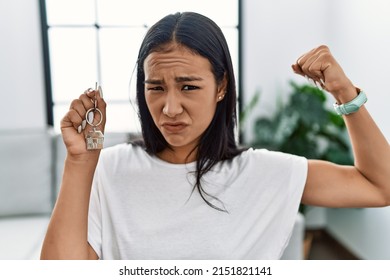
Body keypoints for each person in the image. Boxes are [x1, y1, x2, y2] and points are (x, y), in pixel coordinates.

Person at [40, 12, 390, 260]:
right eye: (156, 87)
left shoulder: (263, 173)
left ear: (221, 87)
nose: (170, 108)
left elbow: (379, 187)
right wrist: (79, 163)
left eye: (188, 86)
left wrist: (346, 93)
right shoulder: (111, 169)